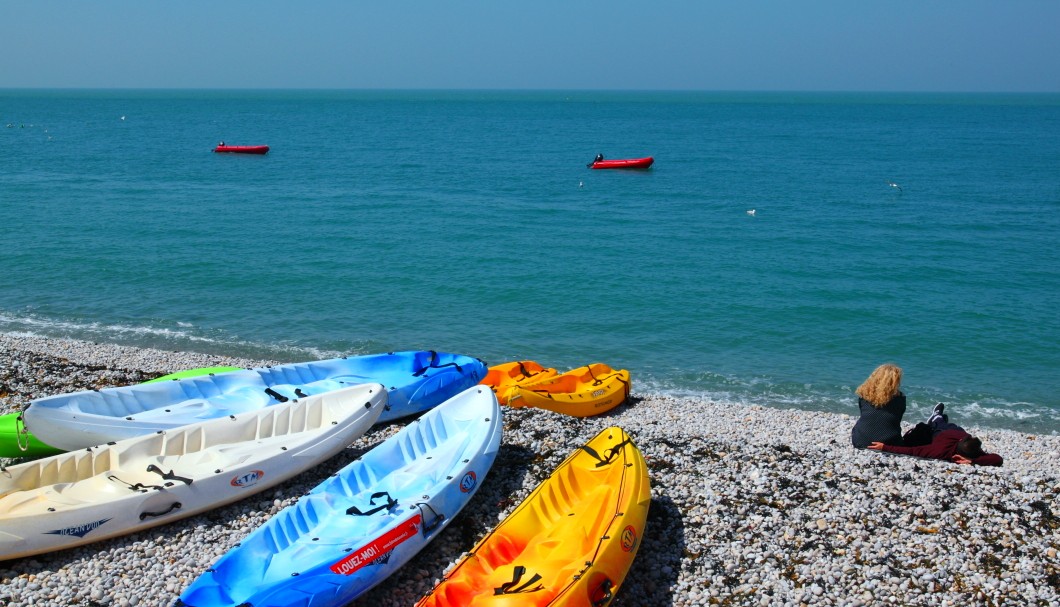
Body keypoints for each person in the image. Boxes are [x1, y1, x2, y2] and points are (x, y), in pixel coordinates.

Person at [868, 403, 1003, 466]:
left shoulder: (941, 451)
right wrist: (974, 459)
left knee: (940, 424)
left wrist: (885, 447)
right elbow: (996, 458)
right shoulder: (972, 450)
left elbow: (913, 451)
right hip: (952, 431)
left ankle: (937, 417)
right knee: (944, 424)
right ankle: (937, 417)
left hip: (947, 433)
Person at [850, 363, 906, 449]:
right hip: (889, 443)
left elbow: (864, 414)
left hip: (861, 441)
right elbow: (897, 419)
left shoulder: (864, 395)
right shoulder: (900, 399)